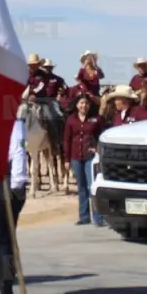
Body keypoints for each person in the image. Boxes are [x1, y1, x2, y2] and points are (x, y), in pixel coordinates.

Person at [0, 116, 30, 294]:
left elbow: (19, 151)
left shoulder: (15, 123)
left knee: (4, 236)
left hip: (9, 180)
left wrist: (17, 184)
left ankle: (6, 286)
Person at [63, 93, 107, 226]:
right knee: (81, 187)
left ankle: (98, 218)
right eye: (81, 103)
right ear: (77, 105)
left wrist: (98, 149)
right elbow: (66, 140)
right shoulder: (71, 119)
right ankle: (84, 216)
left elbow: (103, 136)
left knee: (92, 186)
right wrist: (66, 159)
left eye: (86, 103)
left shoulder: (96, 119)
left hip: (90, 158)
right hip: (76, 157)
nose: (84, 105)